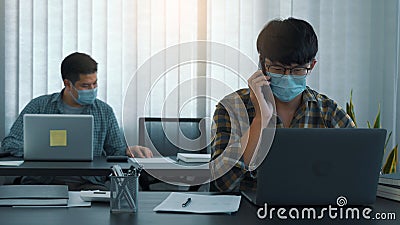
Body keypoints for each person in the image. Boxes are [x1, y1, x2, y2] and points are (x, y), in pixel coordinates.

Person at [210, 18, 356, 192]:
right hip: (248, 214)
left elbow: (357, 172)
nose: (287, 76)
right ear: (263, 64)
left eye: (298, 70)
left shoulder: (329, 112)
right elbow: (221, 184)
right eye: (278, 69)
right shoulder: (231, 109)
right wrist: (260, 120)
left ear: (312, 65)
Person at [0, 52, 152, 190]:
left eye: (95, 83)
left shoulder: (104, 111)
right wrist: (36, 150)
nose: (92, 89)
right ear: (67, 84)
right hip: (41, 182)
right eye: (85, 85)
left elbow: (115, 151)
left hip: (88, 184)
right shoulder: (39, 105)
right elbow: (10, 143)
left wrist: (128, 151)